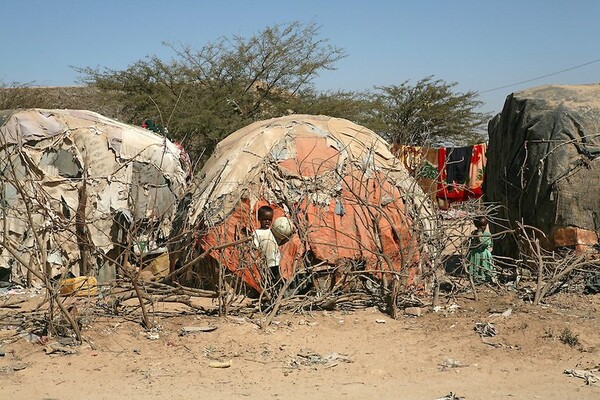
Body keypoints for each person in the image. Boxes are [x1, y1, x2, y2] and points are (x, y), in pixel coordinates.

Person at [252, 206, 281, 291]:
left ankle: (277, 296)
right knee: (267, 281)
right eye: (265, 219)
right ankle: (269, 297)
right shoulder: (257, 233)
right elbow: (255, 247)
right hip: (265, 262)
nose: (267, 221)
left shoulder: (273, 231)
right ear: (259, 219)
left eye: (269, 219)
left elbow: (280, 241)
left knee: (277, 280)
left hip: (276, 261)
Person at [468, 216, 495, 283]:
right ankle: (476, 278)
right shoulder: (473, 233)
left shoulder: (487, 234)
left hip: (484, 253)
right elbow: (471, 243)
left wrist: (480, 238)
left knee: (485, 265)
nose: (482, 227)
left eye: (484, 225)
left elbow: (486, 244)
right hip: (475, 253)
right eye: (479, 226)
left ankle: (485, 278)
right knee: (476, 265)